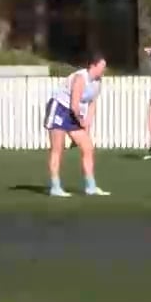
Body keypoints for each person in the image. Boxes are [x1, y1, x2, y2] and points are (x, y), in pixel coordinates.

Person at [43, 54, 110, 198]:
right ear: (93, 66)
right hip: (60, 108)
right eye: (102, 66)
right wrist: (81, 121)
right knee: (58, 148)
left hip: (75, 113)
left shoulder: (98, 82)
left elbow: (92, 103)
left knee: (87, 147)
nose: (104, 70)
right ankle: (55, 187)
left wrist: (87, 123)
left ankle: (90, 186)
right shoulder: (80, 78)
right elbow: (74, 104)